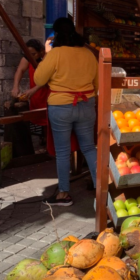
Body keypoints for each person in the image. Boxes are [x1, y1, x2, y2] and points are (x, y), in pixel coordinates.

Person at [34, 18, 98, 206]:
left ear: (56, 35)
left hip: (61, 106)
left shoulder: (55, 54)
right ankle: (101, 188)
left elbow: (39, 79)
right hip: (86, 104)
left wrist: (47, 55)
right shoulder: (88, 54)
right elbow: (98, 83)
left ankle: (64, 194)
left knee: (62, 152)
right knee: (88, 147)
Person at [11, 39, 49, 129]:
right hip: (35, 95)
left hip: (48, 93)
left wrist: (34, 89)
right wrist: (15, 87)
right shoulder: (28, 57)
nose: (31, 57)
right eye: (29, 54)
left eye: (34, 54)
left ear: (41, 51)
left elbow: (49, 77)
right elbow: (20, 70)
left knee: (49, 119)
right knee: (37, 117)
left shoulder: (48, 58)